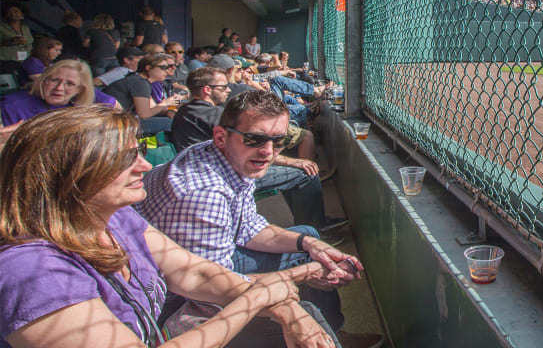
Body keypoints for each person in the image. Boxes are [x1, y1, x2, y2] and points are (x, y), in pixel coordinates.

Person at [0, 105, 341, 348]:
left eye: (138, 152)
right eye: (123, 159)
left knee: (303, 310)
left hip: (161, 329)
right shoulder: (32, 271)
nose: (144, 165)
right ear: (70, 175)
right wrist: (261, 297)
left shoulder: (114, 215)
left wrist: (284, 306)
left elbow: (195, 273)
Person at [138, 91, 383, 348]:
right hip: (172, 300)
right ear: (221, 136)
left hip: (203, 262)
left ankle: (335, 330)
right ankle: (330, 336)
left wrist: (310, 244)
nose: (268, 152)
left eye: (278, 141)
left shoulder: (226, 156)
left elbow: (248, 227)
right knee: (307, 318)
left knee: (309, 237)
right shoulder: (205, 195)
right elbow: (212, 288)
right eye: (255, 139)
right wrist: (302, 275)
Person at [169, 68, 328, 229]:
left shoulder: (184, 110)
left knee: (292, 167)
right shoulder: (214, 115)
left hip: (198, 169)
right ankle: (317, 228)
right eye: (223, 87)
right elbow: (247, 152)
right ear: (207, 90)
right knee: (305, 174)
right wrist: (293, 162)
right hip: (221, 175)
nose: (228, 90)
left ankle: (304, 222)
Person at [1, 59, 118, 135]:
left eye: (70, 84)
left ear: (80, 89)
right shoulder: (12, 105)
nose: (59, 88)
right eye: (54, 80)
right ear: (43, 80)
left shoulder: (86, 99)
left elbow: (117, 111)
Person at [104, 53, 177, 134]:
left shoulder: (140, 80)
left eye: (168, 67)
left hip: (118, 121)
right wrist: (165, 103)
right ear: (148, 67)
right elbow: (144, 114)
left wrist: (168, 111)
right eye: (163, 67)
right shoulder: (140, 82)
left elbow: (152, 107)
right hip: (112, 124)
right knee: (172, 123)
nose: (167, 70)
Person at [0, 5, 32, 76]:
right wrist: (11, 41)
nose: (13, 14)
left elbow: (30, 42)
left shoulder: (25, 28)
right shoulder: (1, 27)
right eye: (9, 12)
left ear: (22, 14)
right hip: (7, 61)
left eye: (16, 11)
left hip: (25, 61)